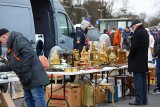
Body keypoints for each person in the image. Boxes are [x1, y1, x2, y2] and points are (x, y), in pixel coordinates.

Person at [0, 28, 50, 107]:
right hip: (26, 78)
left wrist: (24, 71)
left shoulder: (18, 39)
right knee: (29, 100)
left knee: (38, 99)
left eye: (0, 41)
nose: (1, 44)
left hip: (34, 75)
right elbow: (13, 65)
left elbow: (28, 54)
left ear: (4, 37)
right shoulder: (11, 47)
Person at [128, 19, 149, 105]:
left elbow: (134, 47)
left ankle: (139, 99)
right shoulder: (145, 32)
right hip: (143, 60)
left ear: (136, 25)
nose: (132, 29)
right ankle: (144, 99)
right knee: (143, 81)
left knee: (138, 81)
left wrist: (130, 56)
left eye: (132, 27)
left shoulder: (137, 33)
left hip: (137, 61)